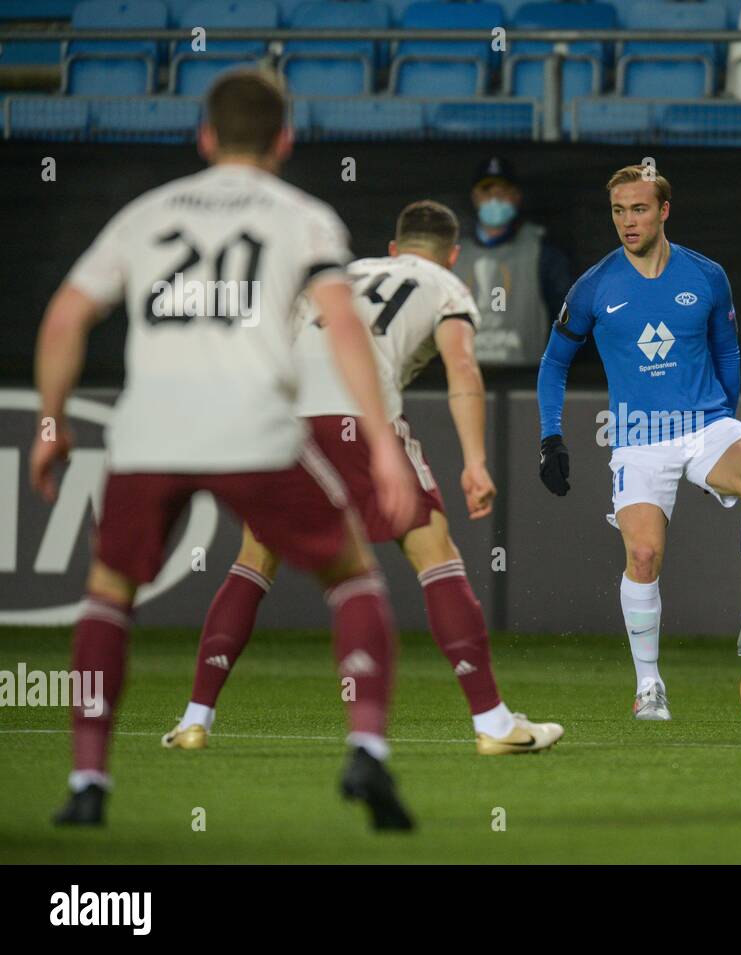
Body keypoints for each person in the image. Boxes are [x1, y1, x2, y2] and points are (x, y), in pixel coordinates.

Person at [31, 70, 420, 830]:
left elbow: (64, 317)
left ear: (204, 136)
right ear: (285, 138)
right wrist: (381, 442)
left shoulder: (145, 215)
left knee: (109, 595)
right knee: (352, 574)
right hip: (255, 430)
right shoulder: (301, 215)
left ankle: (87, 782)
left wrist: (51, 426)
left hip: (149, 435)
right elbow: (342, 326)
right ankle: (368, 747)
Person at [163, 200, 563, 756]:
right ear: (452, 255)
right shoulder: (447, 285)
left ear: (394, 249)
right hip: (356, 417)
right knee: (434, 552)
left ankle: (193, 720)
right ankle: (494, 725)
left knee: (254, 560)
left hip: (281, 422)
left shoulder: (338, 276)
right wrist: (474, 460)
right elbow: (463, 369)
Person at [536, 164, 741, 721]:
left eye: (639, 209)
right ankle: (649, 686)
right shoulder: (595, 286)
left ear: (664, 210)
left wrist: (723, 430)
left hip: (705, 425)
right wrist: (550, 438)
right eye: (618, 211)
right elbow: (554, 362)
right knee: (643, 556)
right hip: (639, 440)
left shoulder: (707, 276)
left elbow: (729, 354)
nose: (627, 221)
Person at [453, 156, 571, 366]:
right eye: (487, 191)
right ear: (474, 197)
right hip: (464, 377)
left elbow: (569, 321)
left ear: (517, 197)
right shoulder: (454, 257)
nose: (495, 199)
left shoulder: (543, 255)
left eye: (503, 191)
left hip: (525, 382)